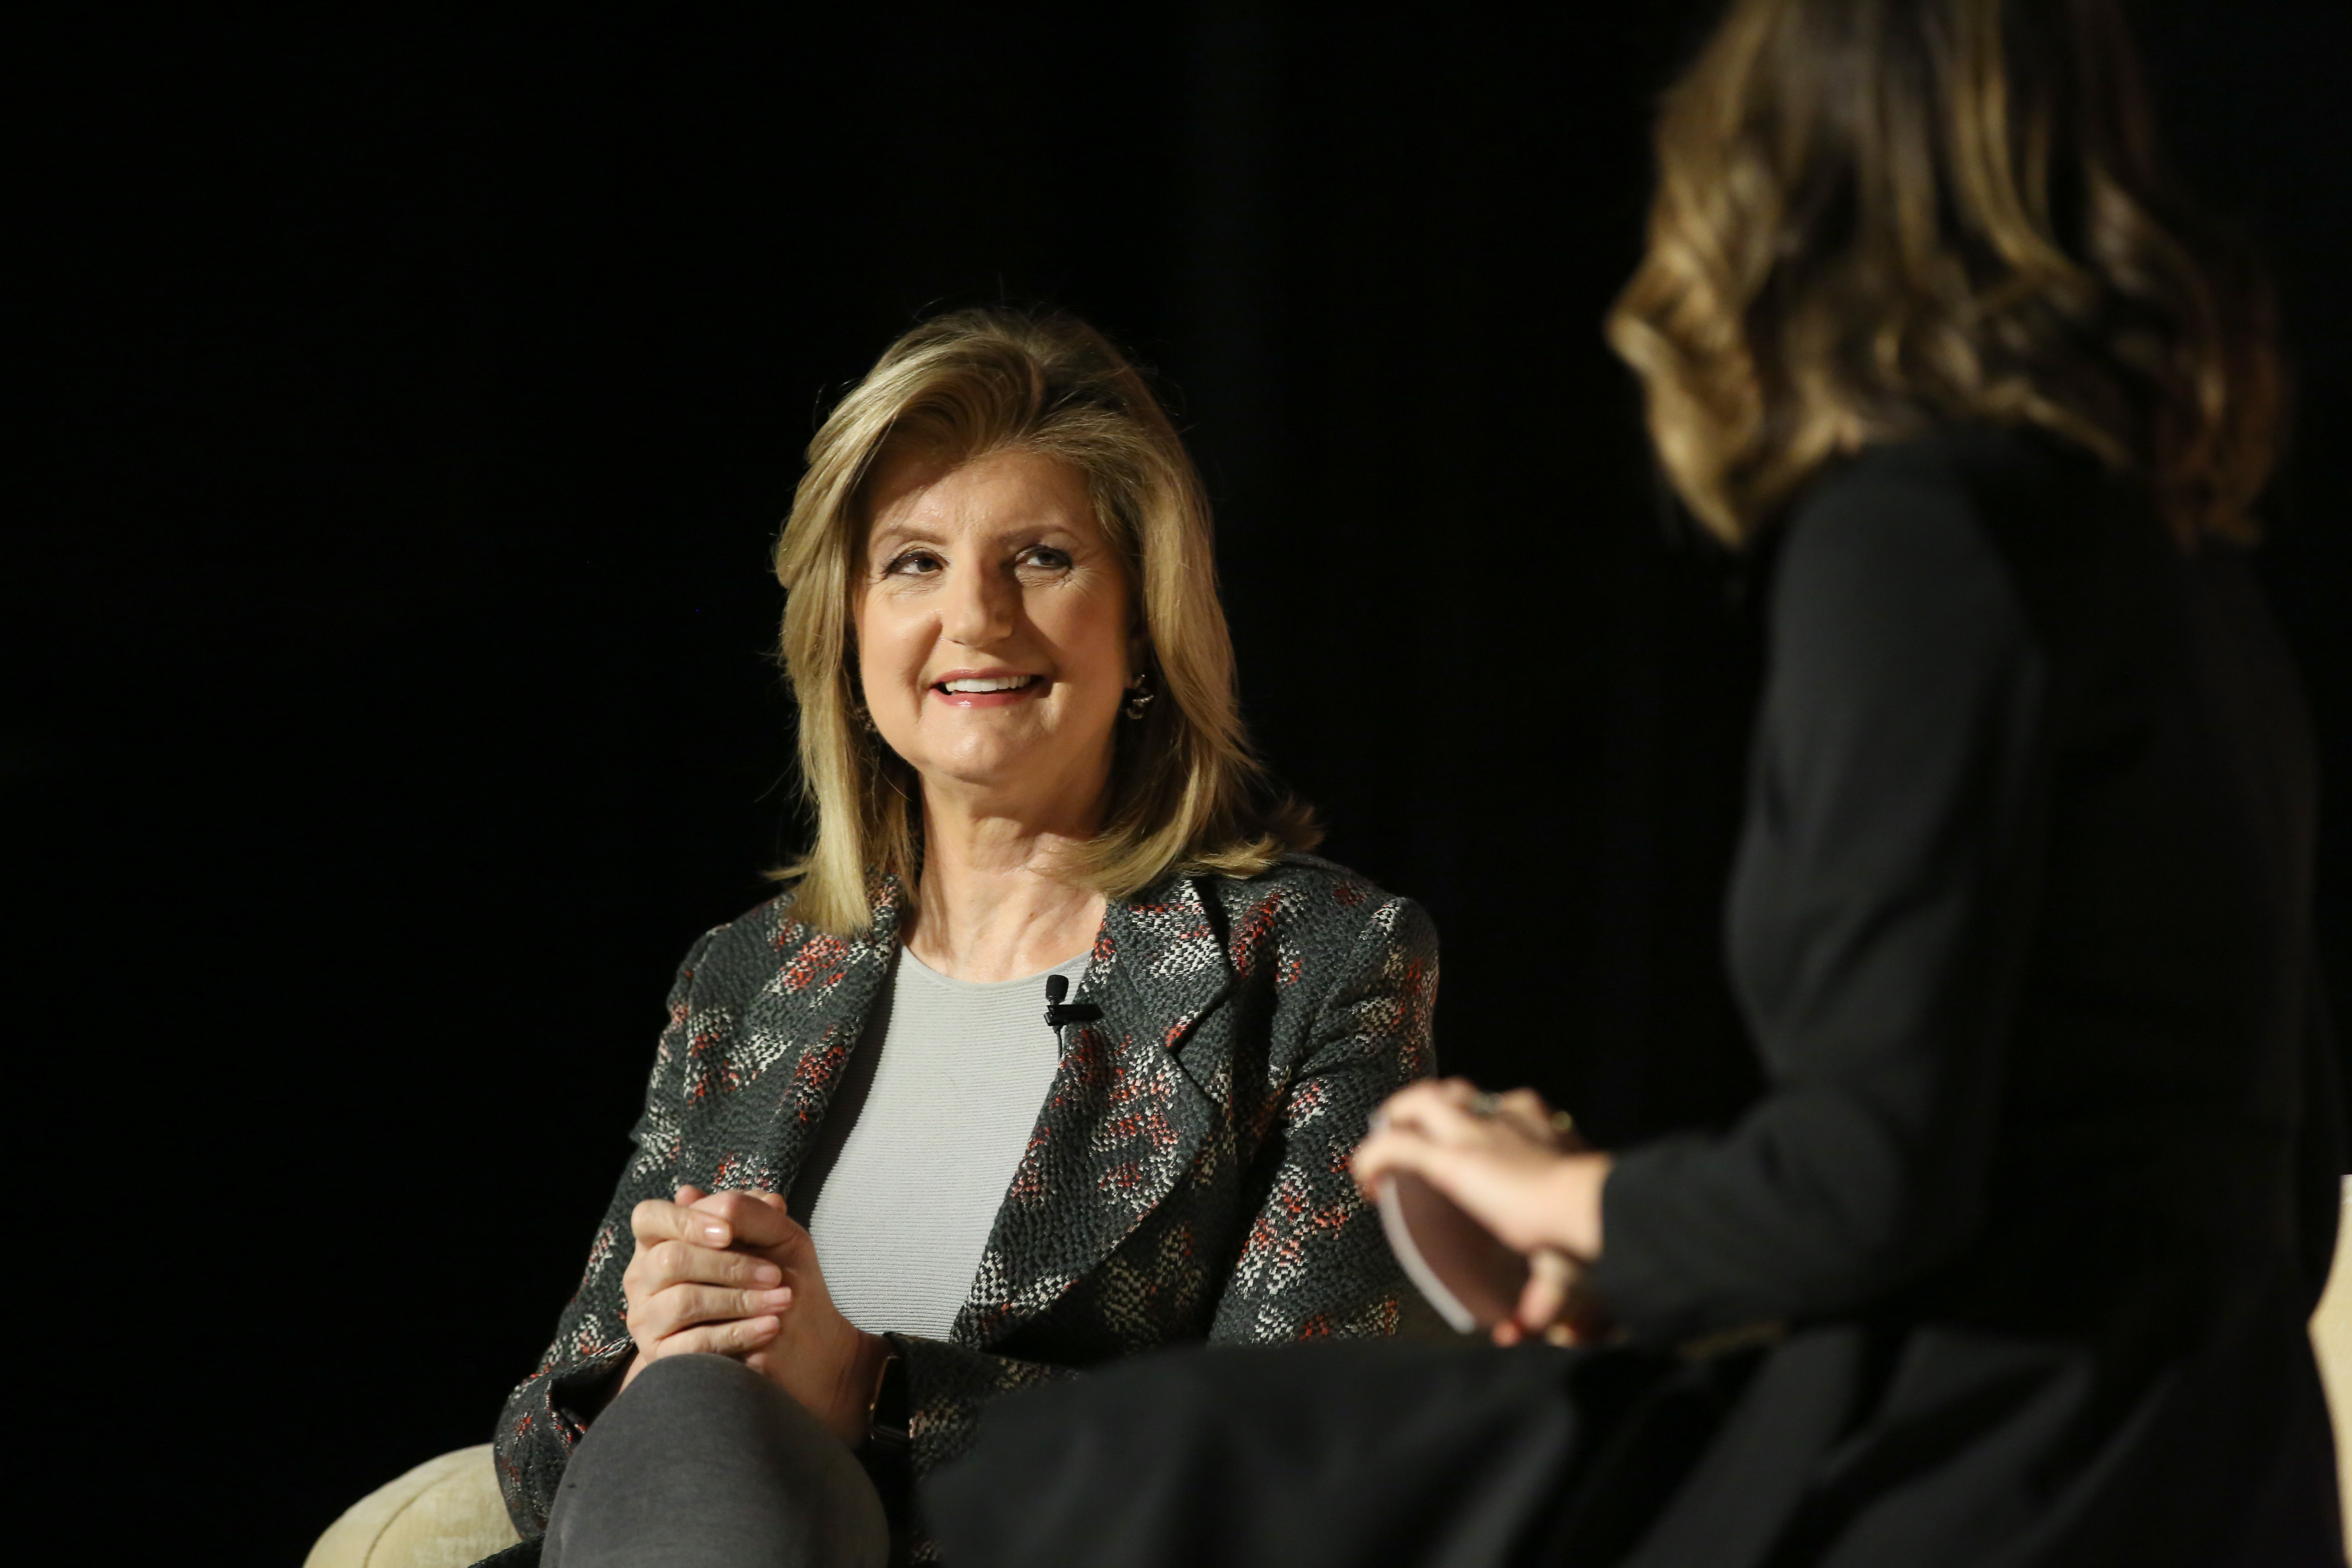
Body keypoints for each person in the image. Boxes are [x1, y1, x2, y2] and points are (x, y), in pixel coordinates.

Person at [922, 2, 2343, 1564]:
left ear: (1769, 175)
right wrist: (1646, 1258)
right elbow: (2241, 1185)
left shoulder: (1914, 538)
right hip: (2216, 1463)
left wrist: (1558, 1194)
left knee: (1093, 1483)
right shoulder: (2187, 573)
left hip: (1989, 1476)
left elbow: (1870, 1181)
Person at [485, 308, 1439, 1567]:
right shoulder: (747, 980)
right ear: (852, 629)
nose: (976, 618)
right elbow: (537, 1448)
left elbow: (1303, 1465)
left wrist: (876, 1391)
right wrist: (651, 1364)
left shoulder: (1319, 963)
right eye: (914, 564)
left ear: (1145, 621)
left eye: (1041, 558)